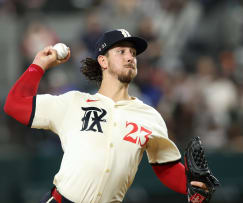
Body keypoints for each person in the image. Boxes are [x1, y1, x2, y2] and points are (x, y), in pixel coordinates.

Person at [4, 29, 207, 203]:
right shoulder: (73, 102)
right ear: (103, 61)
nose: (130, 57)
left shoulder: (150, 116)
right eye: (121, 52)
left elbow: (166, 168)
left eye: (133, 53)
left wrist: (192, 185)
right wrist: (39, 65)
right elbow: (15, 104)